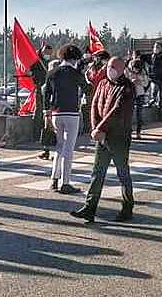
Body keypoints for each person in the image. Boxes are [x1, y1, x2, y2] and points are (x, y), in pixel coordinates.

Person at [71, 57, 136, 224]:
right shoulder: (102, 83)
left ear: (121, 69)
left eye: (114, 67)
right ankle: (89, 208)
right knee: (97, 173)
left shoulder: (127, 87)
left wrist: (100, 129)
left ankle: (127, 208)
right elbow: (94, 105)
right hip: (102, 137)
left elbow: (117, 111)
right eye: (109, 67)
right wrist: (95, 128)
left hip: (118, 138)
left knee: (123, 174)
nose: (110, 70)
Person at [44, 45, 87, 194]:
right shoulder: (75, 73)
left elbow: (46, 95)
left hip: (56, 113)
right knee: (68, 149)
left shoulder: (52, 73)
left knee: (59, 147)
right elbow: (87, 89)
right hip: (72, 113)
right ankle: (65, 182)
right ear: (75, 59)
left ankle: (54, 179)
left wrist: (47, 114)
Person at [33, 45, 53, 160]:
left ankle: (47, 147)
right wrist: (41, 83)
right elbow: (34, 75)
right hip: (41, 90)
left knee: (48, 117)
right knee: (40, 113)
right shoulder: (37, 63)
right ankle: (37, 135)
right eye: (46, 53)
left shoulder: (50, 63)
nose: (48, 55)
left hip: (50, 92)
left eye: (49, 53)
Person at [126, 57, 149, 139]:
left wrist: (140, 82)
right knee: (129, 113)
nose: (136, 70)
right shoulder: (127, 71)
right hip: (130, 94)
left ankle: (138, 132)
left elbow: (146, 83)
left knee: (139, 114)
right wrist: (131, 81)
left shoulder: (143, 72)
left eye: (137, 69)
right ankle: (128, 130)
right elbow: (125, 81)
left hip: (140, 94)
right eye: (135, 69)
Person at [144, 42, 162, 111]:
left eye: (157, 47)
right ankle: (151, 105)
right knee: (153, 95)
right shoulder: (151, 56)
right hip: (153, 79)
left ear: (161, 48)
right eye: (154, 47)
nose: (155, 48)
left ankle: (161, 113)